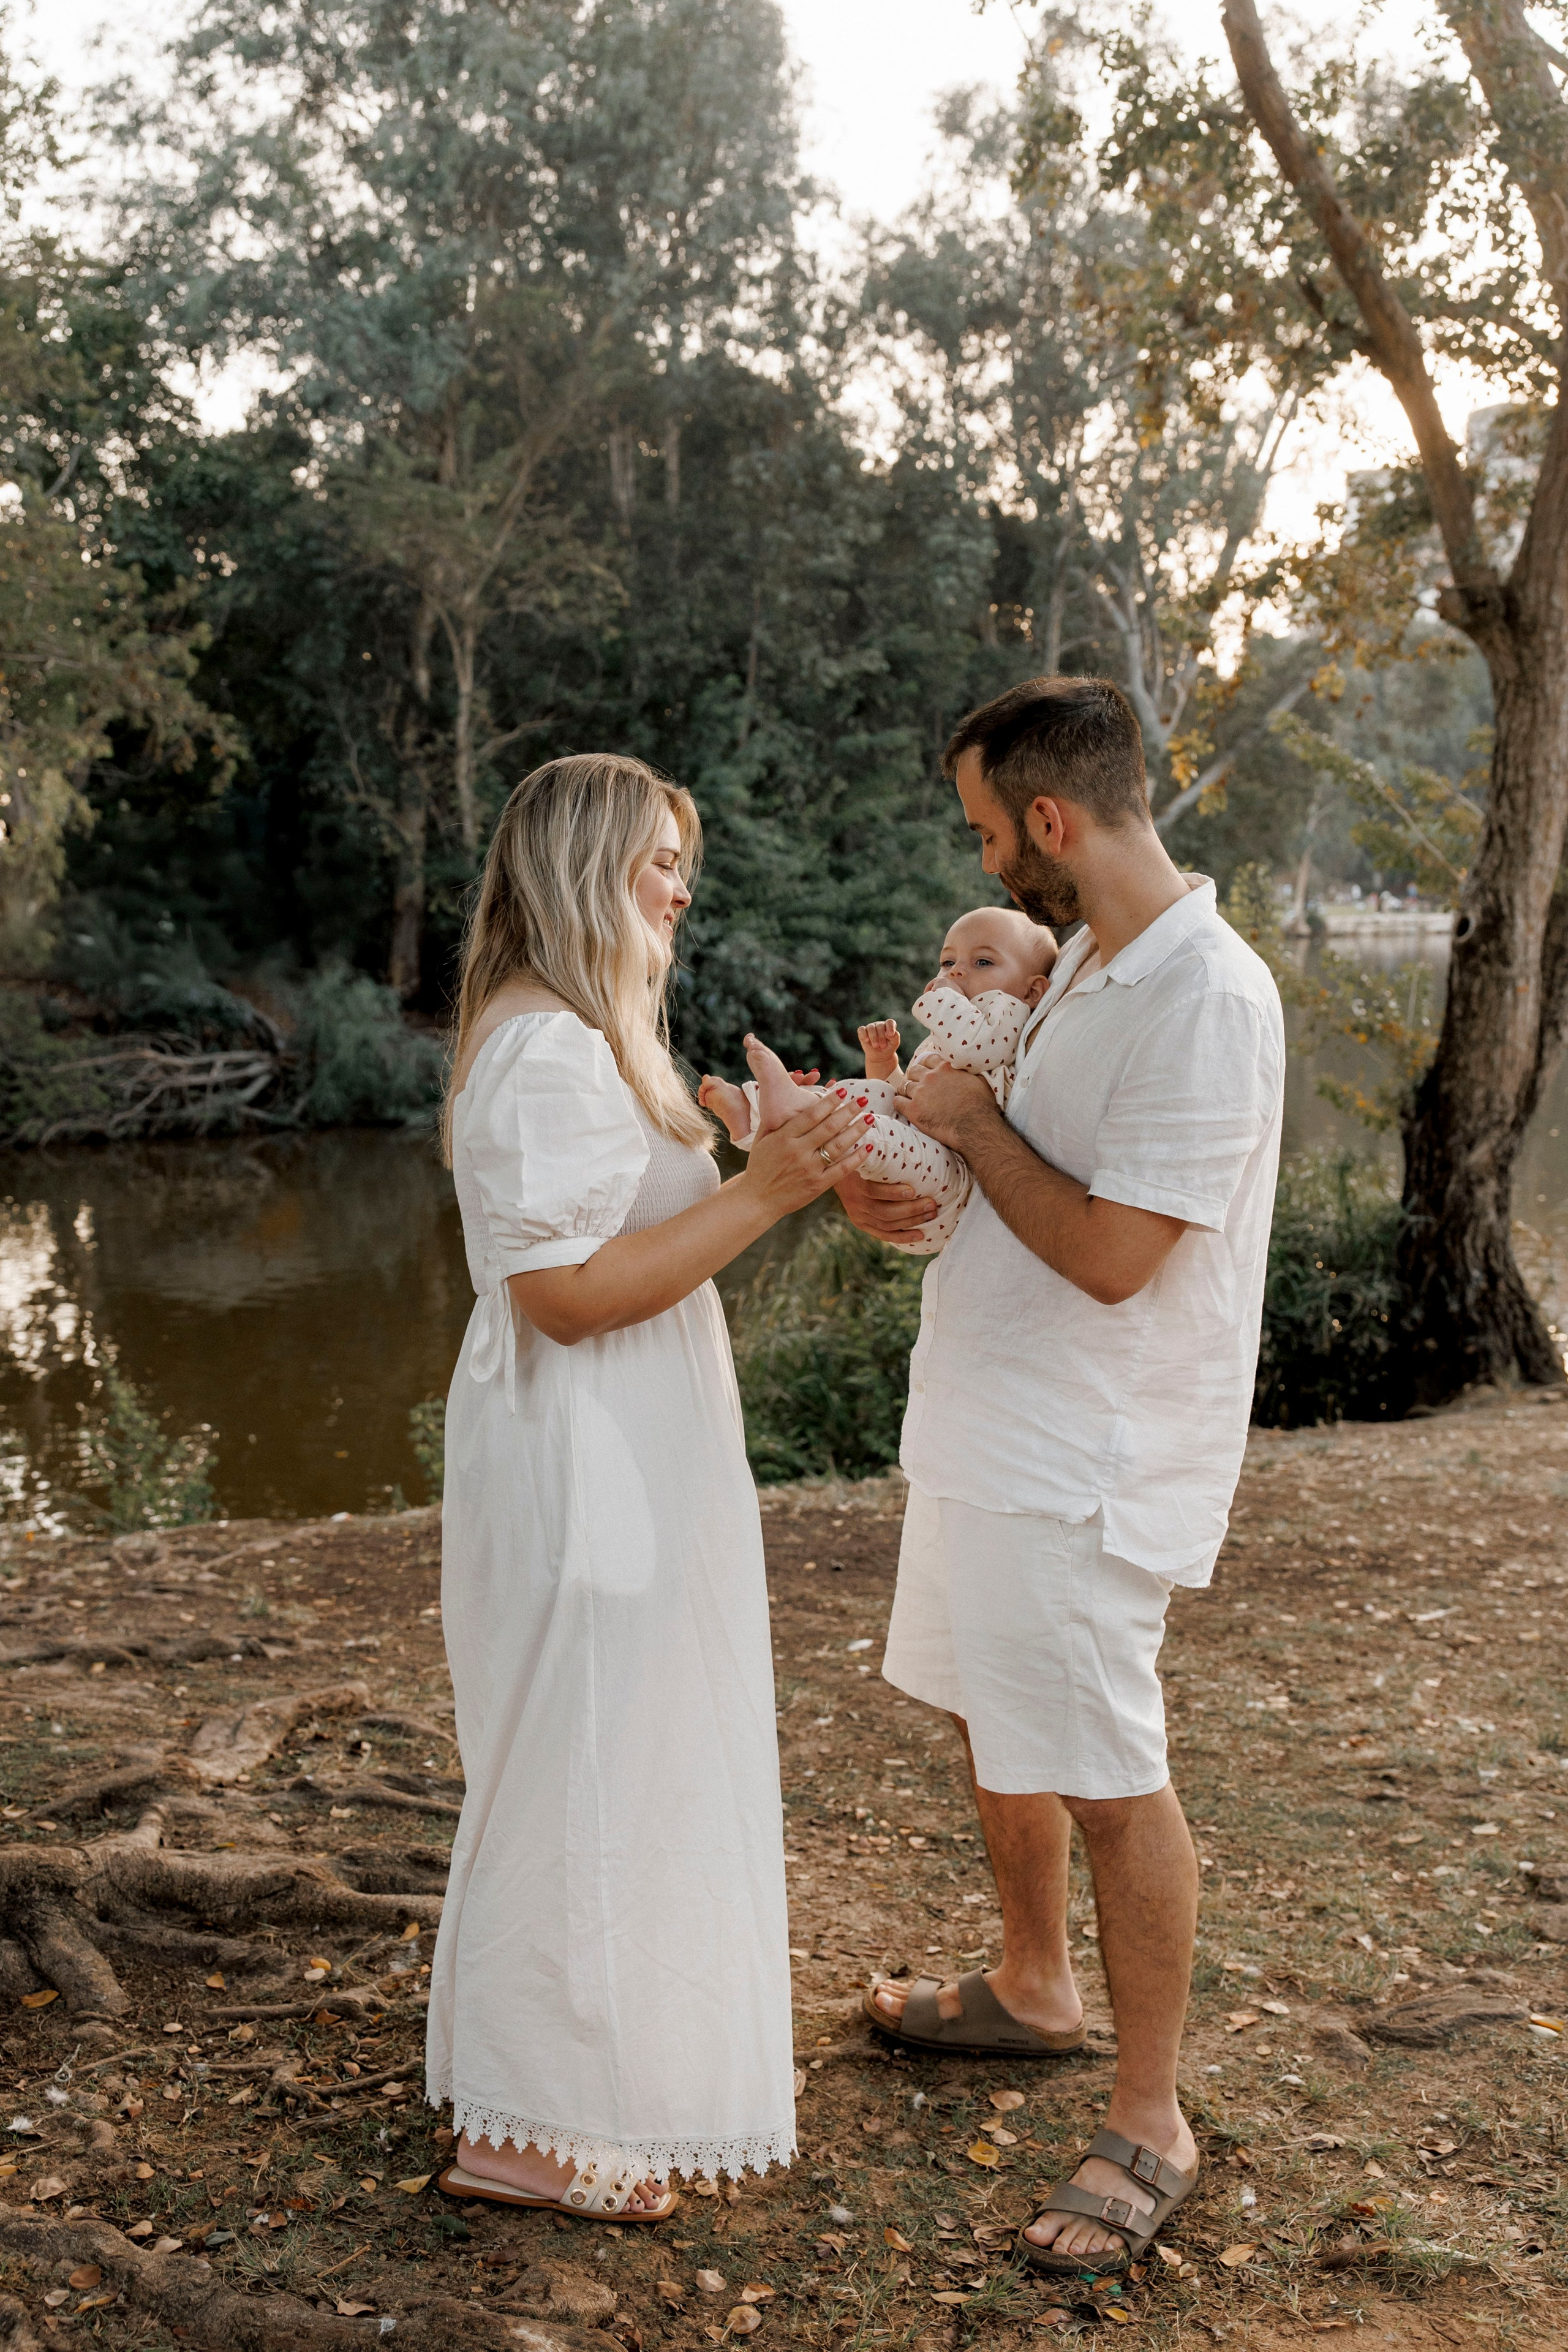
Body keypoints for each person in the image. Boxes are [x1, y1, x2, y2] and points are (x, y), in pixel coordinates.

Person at [840, 677, 1284, 2277]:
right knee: (990, 1711)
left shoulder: (1205, 999)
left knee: (1108, 1771)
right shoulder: (1077, 962)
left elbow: (1112, 1254)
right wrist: (908, 1173)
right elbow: (1009, 1173)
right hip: (983, 1430)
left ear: (1048, 820)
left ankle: (1153, 2116)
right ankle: (1035, 1985)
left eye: (983, 829)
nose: (982, 861)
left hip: (1091, 1460)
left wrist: (971, 1117)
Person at [424, 753, 869, 2223]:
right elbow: (558, 1290)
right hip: (587, 1445)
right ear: (579, 870)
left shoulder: (590, 1033)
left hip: (632, 1435)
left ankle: (577, 2088)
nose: (679, 888)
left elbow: (625, 1212)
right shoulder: (547, 1043)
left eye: (682, 861)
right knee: (585, 1752)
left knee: (618, 1744)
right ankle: (525, 2126)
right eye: (653, 861)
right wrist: (761, 1192)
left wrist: (742, 1143)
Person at [699, 907, 1057, 1253]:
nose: (957, 973)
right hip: (918, 1152)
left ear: (1033, 991)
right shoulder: (957, 1028)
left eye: (983, 962)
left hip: (953, 1188)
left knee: (874, 1129)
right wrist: (884, 1063)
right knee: (866, 1096)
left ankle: (800, 1111)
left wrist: (942, 996)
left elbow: (976, 1051)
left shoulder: (1006, 1012)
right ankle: (757, 1113)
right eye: (948, 962)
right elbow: (907, 1099)